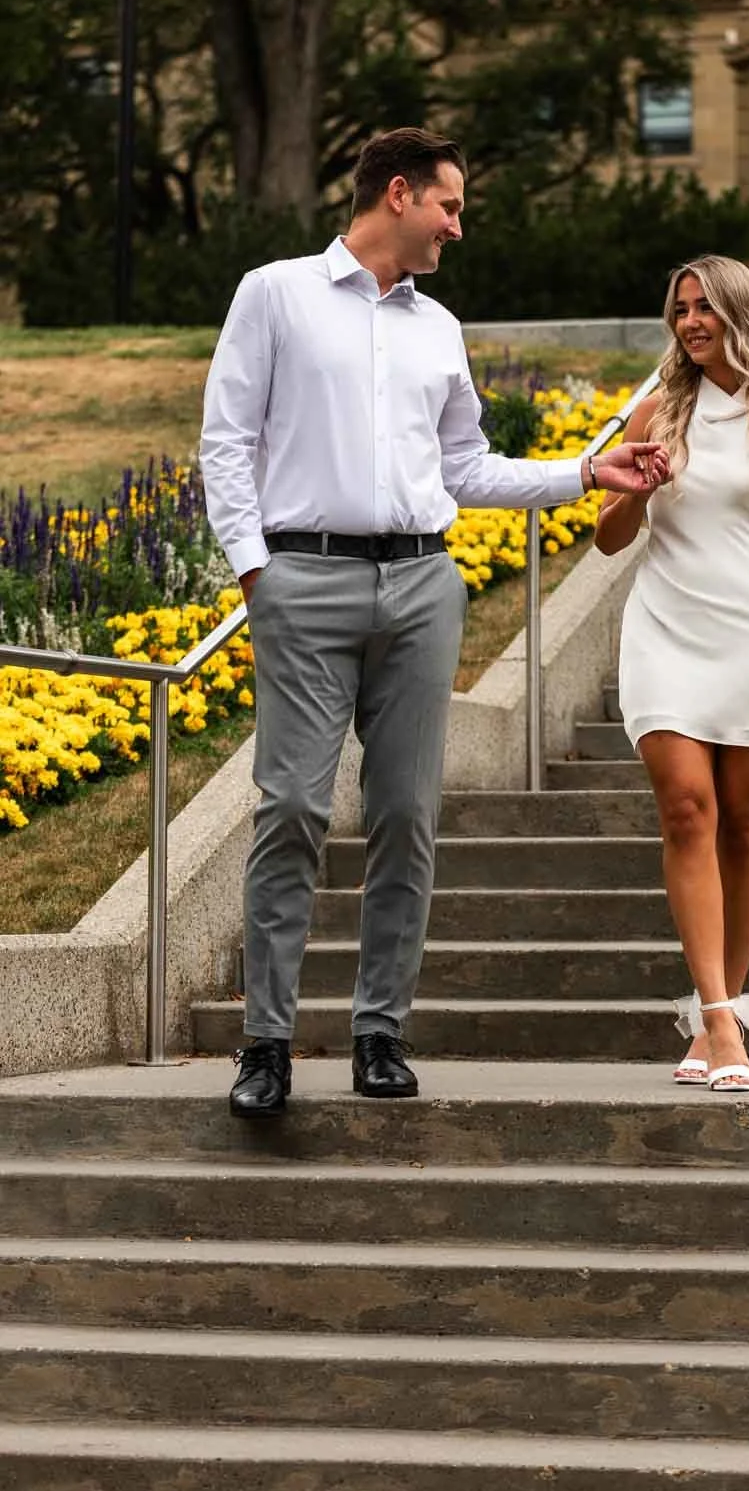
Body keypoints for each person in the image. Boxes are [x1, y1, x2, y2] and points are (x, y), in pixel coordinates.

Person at [200, 127, 669, 1118]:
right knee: (289, 808)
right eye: (450, 207)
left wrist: (588, 471)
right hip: (305, 580)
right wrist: (256, 572)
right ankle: (267, 1045)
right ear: (400, 194)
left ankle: (379, 1033)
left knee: (406, 816)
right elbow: (227, 439)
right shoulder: (274, 294)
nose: (458, 227)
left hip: (420, 587)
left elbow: (465, 467)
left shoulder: (437, 327)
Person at [594, 256, 749, 1093]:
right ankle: (720, 1020)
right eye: (679, 308)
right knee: (686, 809)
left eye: (704, 308)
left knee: (741, 824)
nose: (690, 321)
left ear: (741, 312)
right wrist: (636, 482)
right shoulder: (654, 411)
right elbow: (609, 537)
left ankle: (717, 1008)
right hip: (664, 628)